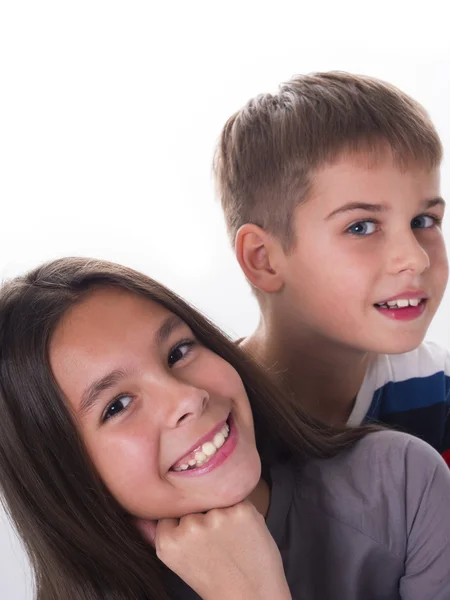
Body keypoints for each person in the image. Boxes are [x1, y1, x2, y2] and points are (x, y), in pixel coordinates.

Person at [0, 257, 449, 600]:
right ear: (61, 474)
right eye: (117, 405)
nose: (187, 398)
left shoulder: (400, 483)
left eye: (178, 352)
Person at [214, 71, 450, 463]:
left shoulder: (436, 388)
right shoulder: (204, 422)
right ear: (263, 258)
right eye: (361, 226)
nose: (415, 258)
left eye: (423, 221)